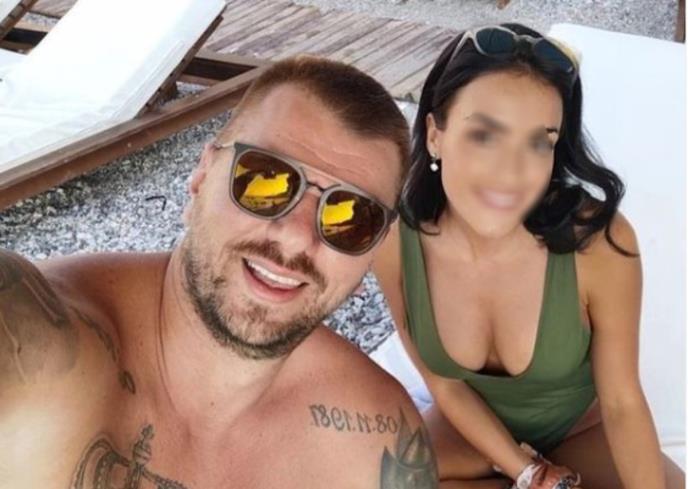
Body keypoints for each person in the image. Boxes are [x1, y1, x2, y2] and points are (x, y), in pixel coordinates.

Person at [0, 56, 439, 489]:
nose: (295, 237)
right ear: (201, 178)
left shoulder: (374, 443)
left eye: (351, 217)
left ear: (372, 254)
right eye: (266, 179)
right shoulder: (43, 344)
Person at [373, 23, 685, 489]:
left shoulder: (596, 242)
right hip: (470, 431)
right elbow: (445, 385)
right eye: (485, 135)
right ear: (435, 134)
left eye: (540, 142)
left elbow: (621, 402)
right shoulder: (395, 240)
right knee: (379, 479)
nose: (512, 173)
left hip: (581, 431)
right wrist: (528, 471)